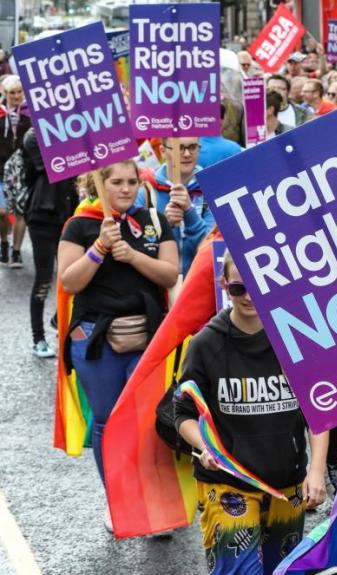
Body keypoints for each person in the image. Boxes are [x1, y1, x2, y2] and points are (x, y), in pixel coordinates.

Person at [175, 249, 328, 574]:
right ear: (224, 284)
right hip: (228, 483)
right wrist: (205, 447)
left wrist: (316, 471)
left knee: (282, 570)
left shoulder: (296, 336)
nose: (248, 297)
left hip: (287, 483)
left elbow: (319, 408)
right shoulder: (205, 344)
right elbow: (183, 413)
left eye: (258, 287)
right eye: (238, 288)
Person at [57, 160, 179, 529]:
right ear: (99, 184)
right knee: (108, 421)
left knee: (150, 421)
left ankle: (155, 505)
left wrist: (133, 255)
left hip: (148, 336)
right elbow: (69, 282)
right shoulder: (79, 225)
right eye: (117, 182)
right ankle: (118, 503)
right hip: (95, 339)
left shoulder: (153, 221)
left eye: (132, 182)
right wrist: (99, 248)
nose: (126, 189)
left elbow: (170, 274)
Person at [23, 128, 78, 357]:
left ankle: (59, 319)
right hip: (43, 216)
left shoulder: (74, 129)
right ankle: (38, 338)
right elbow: (53, 164)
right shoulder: (34, 135)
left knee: (73, 275)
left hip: (71, 214)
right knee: (44, 278)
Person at [141, 137, 211, 276]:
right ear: (162, 151)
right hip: (160, 285)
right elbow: (139, 249)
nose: (187, 154)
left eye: (192, 147)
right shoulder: (146, 191)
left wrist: (189, 212)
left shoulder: (211, 189)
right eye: (179, 148)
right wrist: (164, 225)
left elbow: (211, 250)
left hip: (199, 283)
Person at [0, 75, 31, 267]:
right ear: (4, 93)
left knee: (21, 212)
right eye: (12, 92)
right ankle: (4, 242)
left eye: (19, 92)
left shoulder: (30, 114)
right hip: (0, 171)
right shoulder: (0, 113)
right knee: (2, 212)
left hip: (23, 170)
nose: (17, 96)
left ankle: (16, 252)